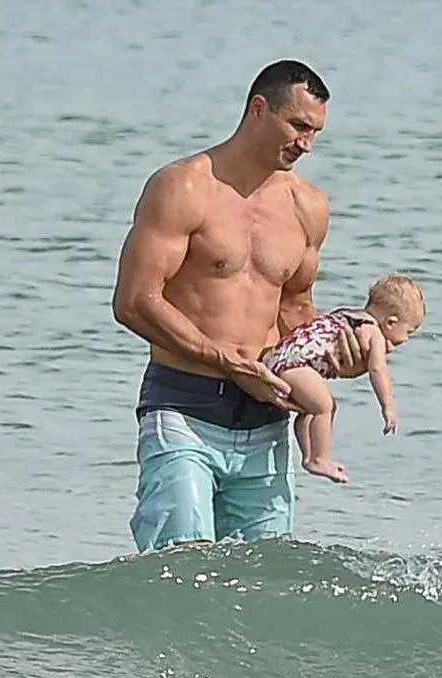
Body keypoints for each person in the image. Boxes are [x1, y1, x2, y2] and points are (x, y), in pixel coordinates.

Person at [111, 59, 367, 554]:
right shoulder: (184, 186)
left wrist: (336, 354)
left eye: (315, 132)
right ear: (259, 109)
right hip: (184, 410)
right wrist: (227, 362)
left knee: (261, 582)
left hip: (267, 423)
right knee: (180, 571)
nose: (307, 144)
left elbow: (295, 310)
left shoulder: (309, 207)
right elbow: (134, 302)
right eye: (298, 126)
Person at [261, 273, 427, 484]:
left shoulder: (347, 314)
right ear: (390, 322)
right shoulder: (373, 332)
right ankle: (319, 458)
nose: (405, 340)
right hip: (296, 366)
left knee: (310, 410)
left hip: (277, 359)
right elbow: (378, 369)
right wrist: (388, 405)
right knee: (325, 407)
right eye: (409, 332)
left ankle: (309, 457)